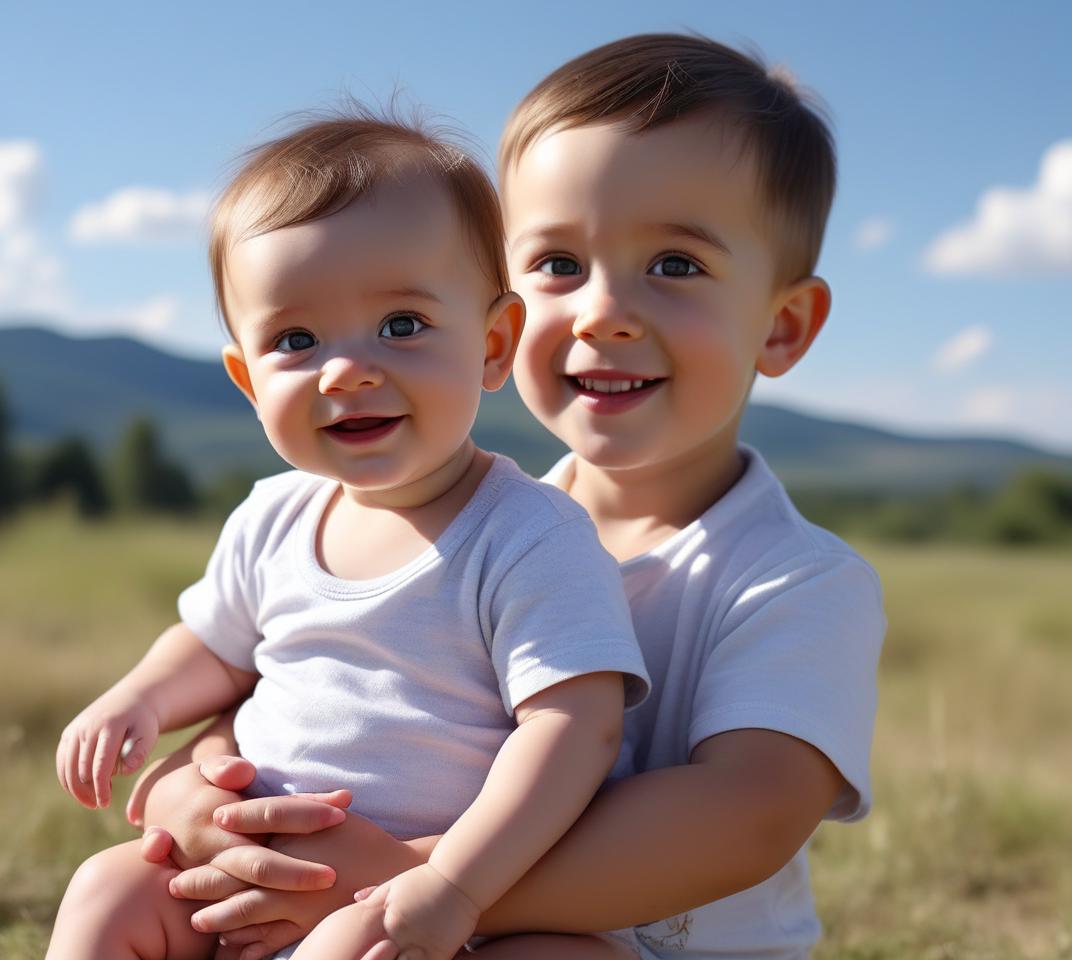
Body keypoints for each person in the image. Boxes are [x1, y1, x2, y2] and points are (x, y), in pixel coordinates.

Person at [144, 34, 886, 960]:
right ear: (496, 310)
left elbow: (747, 814)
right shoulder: (470, 527)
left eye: (677, 265)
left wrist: (407, 881)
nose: (602, 309)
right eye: (557, 266)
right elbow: (296, 681)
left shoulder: (795, 580)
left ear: (782, 326)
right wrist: (193, 784)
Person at [45, 110, 650, 960]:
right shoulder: (273, 517)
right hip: (249, 881)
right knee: (108, 889)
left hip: (439, 907)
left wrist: (451, 889)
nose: (346, 369)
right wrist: (139, 699)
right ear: (247, 380)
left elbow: (574, 728)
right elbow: (217, 646)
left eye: (402, 325)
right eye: (295, 340)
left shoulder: (528, 535)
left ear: (493, 342)